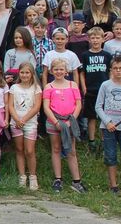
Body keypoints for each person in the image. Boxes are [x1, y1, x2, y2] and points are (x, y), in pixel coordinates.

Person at [43, 58, 86, 193]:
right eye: (56, 69)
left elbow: (78, 104)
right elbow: (46, 107)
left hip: (69, 122)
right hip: (54, 122)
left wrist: (71, 120)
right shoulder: (48, 87)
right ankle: (58, 179)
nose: (59, 72)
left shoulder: (73, 85)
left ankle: (76, 181)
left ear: (66, 71)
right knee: (56, 149)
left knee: (71, 151)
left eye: (61, 69)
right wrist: (56, 122)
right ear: (51, 71)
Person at [9, 62, 42, 191]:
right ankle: (22, 176)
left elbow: (36, 107)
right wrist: (17, 119)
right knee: (19, 149)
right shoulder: (14, 88)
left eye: (27, 72)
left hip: (30, 123)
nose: (24, 75)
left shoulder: (36, 88)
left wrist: (24, 120)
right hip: (16, 123)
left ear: (32, 74)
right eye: (22, 72)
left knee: (29, 150)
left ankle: (33, 176)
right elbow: (10, 105)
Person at [80, 27, 112, 152]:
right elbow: (82, 73)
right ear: (88, 39)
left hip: (104, 91)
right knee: (91, 117)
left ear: (103, 39)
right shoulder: (85, 55)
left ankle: (104, 141)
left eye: (97, 38)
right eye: (92, 38)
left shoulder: (107, 55)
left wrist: (110, 86)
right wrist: (84, 87)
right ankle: (92, 141)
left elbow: (110, 72)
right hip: (90, 90)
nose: (95, 40)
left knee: (104, 117)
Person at [95, 56, 121, 194]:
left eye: (120, 68)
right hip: (108, 127)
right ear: (111, 70)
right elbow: (98, 106)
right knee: (110, 156)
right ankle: (113, 186)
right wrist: (107, 122)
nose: (118, 71)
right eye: (115, 68)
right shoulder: (105, 85)